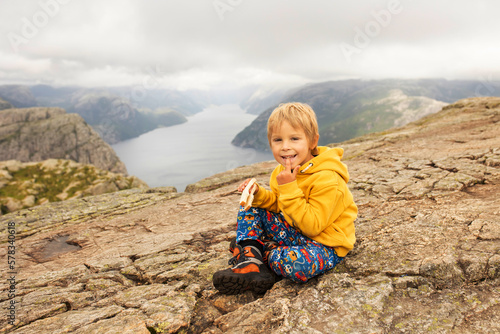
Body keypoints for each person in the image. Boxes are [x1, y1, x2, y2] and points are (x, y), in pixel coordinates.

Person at [213, 102, 357, 295]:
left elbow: (313, 226)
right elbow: (279, 205)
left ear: (312, 141)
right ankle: (250, 259)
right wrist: (258, 194)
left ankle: (259, 251)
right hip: (294, 231)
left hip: (325, 243)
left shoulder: (328, 179)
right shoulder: (281, 171)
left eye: (295, 138)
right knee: (250, 205)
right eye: (278, 140)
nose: (285, 147)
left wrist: (288, 187)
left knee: (298, 266)